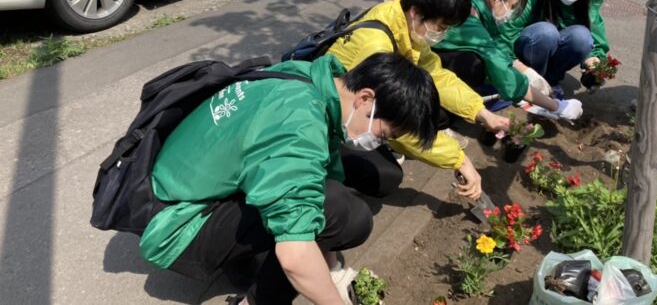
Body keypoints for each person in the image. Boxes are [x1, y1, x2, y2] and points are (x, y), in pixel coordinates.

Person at [138, 53, 440, 305]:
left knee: (325, 200)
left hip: (187, 181)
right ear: (365, 97)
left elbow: (316, 176)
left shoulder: (312, 79)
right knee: (344, 216)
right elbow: (295, 255)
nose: (378, 143)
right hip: (175, 226)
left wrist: (331, 267)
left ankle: (244, 261)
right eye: (384, 134)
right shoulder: (299, 125)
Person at [328, 0, 564, 202]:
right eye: (440, 27)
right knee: (385, 177)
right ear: (416, 11)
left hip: (368, 109)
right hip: (335, 119)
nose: (440, 34)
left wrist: (480, 113)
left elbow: (438, 76)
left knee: (429, 107)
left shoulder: (404, 25)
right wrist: (459, 159)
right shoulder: (376, 46)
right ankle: (329, 171)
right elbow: (398, 122)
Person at [433, 0, 583, 120]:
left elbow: (496, 45)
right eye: (512, 5)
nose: (510, 13)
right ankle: (439, 114)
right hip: (424, 70)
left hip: (435, 59)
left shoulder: (477, 5)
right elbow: (502, 72)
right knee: (476, 65)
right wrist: (557, 107)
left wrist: (526, 71)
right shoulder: (469, 19)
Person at [503, 0, 611, 99]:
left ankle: (550, 81)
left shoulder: (587, 0)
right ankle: (532, 83)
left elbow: (597, 41)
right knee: (547, 32)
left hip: (555, 51)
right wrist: (518, 68)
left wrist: (593, 63)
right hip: (529, 51)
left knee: (582, 36)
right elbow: (507, 33)